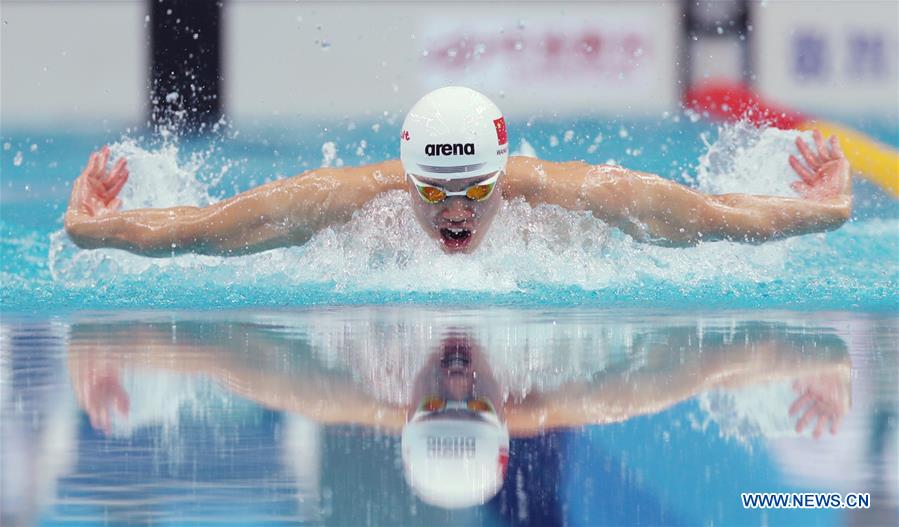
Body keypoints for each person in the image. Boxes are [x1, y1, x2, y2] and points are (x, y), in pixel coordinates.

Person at [64, 87, 852, 256]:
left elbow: (710, 217)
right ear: (402, 175)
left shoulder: (572, 195)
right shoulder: (343, 202)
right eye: (433, 190)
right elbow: (203, 230)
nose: (456, 210)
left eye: (476, 188)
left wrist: (819, 210)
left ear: (505, 172)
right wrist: (96, 231)